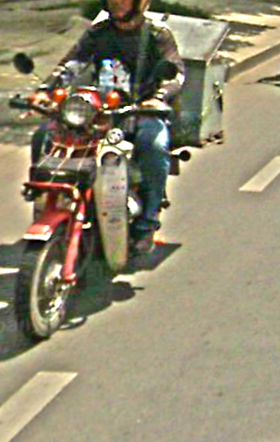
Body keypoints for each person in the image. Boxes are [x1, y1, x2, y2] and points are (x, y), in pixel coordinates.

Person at [31, 0, 186, 254]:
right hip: (97, 112)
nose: (116, 3)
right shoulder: (98, 32)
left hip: (140, 111)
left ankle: (147, 224)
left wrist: (158, 98)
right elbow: (72, 63)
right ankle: (45, 204)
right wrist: (45, 90)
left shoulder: (157, 35)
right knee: (44, 136)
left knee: (155, 146)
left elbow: (177, 73)